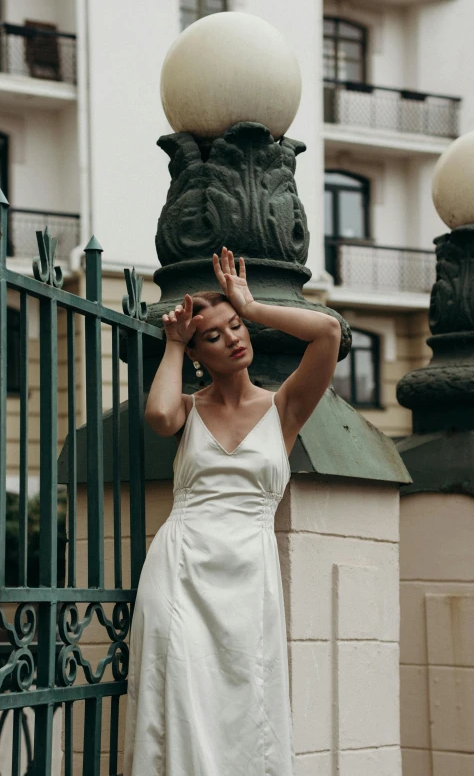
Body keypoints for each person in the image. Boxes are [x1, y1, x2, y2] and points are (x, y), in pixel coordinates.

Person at [123, 247, 341, 775]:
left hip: (249, 578)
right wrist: (174, 343)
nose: (233, 339)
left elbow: (327, 335)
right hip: (180, 571)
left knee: (249, 705)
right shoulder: (188, 409)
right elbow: (157, 415)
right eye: (214, 336)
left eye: (235, 327)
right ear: (200, 355)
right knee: (173, 697)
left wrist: (253, 305)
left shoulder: (284, 407)